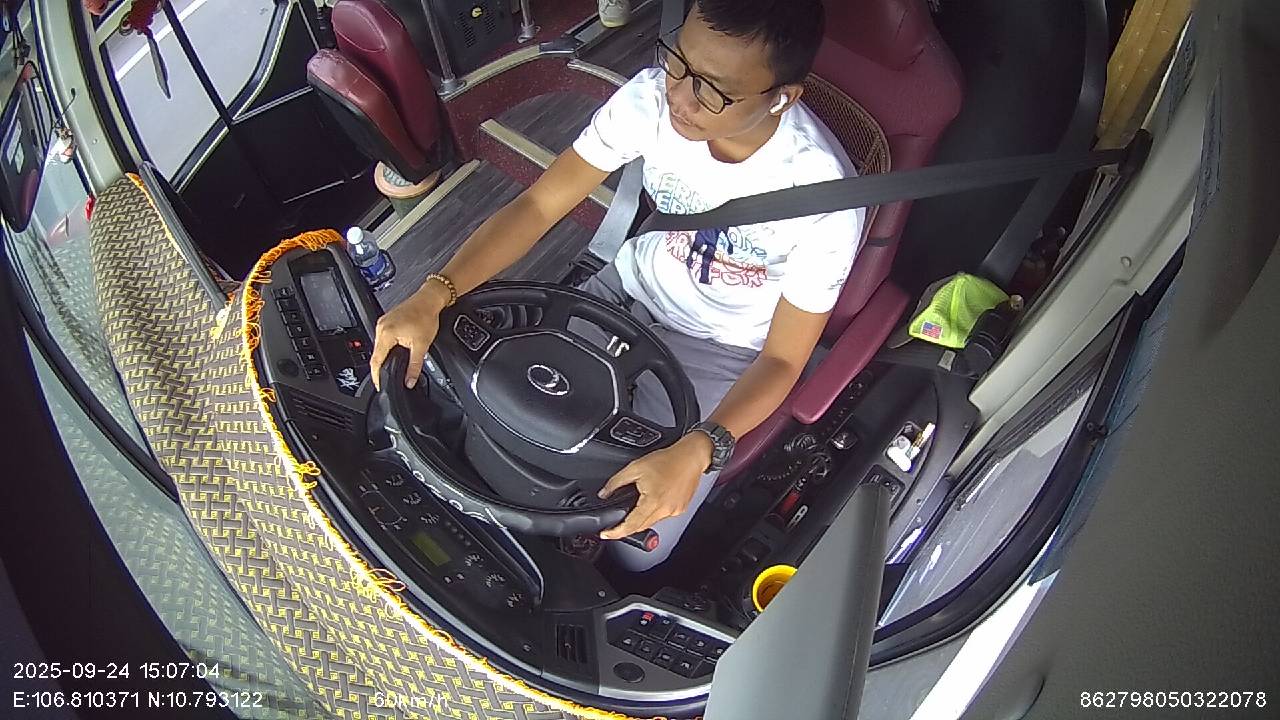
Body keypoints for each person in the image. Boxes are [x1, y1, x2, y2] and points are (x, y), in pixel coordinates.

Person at [370, 0, 862, 571]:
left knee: (633, 545)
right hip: (624, 290)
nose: (681, 98)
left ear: (782, 97)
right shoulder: (650, 99)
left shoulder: (824, 197)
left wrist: (698, 449)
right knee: (481, 413)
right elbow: (539, 205)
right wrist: (435, 293)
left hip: (722, 349)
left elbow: (782, 359)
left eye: (713, 91)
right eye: (679, 62)